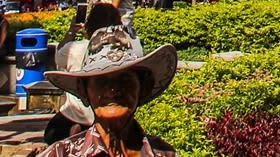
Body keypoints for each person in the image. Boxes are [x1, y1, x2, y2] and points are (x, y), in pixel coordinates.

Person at [38, 25, 178, 157]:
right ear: (83, 91)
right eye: (100, 81)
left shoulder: (163, 153)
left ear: (144, 87)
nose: (112, 90)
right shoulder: (61, 154)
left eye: (124, 79)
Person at [43, 4, 123, 145]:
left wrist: (71, 31)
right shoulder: (122, 52)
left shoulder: (74, 48)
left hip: (74, 116)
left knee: (51, 134)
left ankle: (79, 132)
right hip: (109, 117)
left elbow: (58, 57)